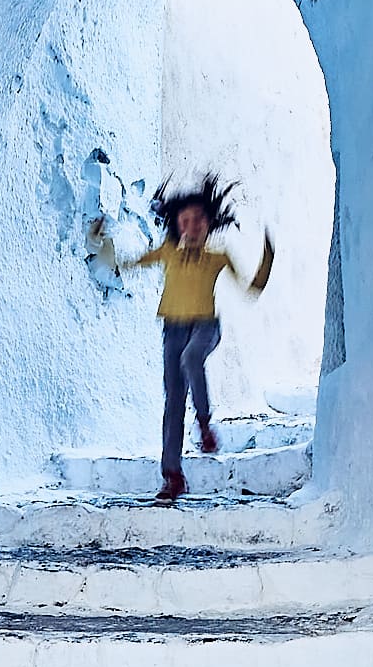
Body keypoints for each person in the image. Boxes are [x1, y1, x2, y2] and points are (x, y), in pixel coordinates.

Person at [87, 175, 274, 502]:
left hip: (205, 327)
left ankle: (204, 424)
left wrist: (268, 257)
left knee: (192, 359)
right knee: (173, 402)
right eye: (186, 220)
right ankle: (172, 476)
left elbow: (250, 288)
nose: (193, 226)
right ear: (176, 224)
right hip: (172, 329)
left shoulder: (218, 257)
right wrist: (100, 242)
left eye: (200, 220)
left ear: (210, 223)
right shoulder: (167, 252)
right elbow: (124, 265)